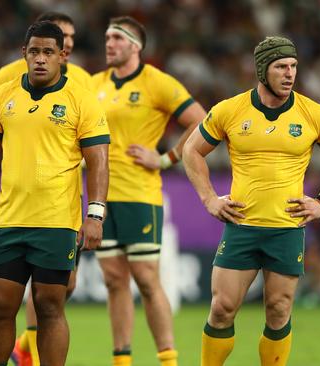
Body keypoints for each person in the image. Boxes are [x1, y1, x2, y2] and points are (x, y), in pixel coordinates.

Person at [182, 36, 320, 366]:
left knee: (278, 310)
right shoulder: (230, 110)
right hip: (241, 226)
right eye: (281, 67)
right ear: (263, 70)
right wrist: (208, 199)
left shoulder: (314, 114)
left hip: (286, 229)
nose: (289, 73)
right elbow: (191, 151)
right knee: (221, 308)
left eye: (293, 66)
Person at [0, 21, 109, 366]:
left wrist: (95, 214)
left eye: (48, 52)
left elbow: (98, 160)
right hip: (9, 220)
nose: (40, 59)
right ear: (23, 54)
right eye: (34, 51)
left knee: (49, 306)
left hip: (57, 221)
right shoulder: (4, 95)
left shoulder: (81, 100)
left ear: (63, 55)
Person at [91, 16, 206, 366]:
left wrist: (166, 158)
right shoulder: (94, 84)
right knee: (113, 280)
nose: (108, 43)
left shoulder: (157, 82)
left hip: (140, 194)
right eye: (107, 37)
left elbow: (202, 121)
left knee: (145, 278)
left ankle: (168, 358)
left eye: (116, 38)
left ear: (135, 46)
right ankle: (122, 359)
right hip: (101, 198)